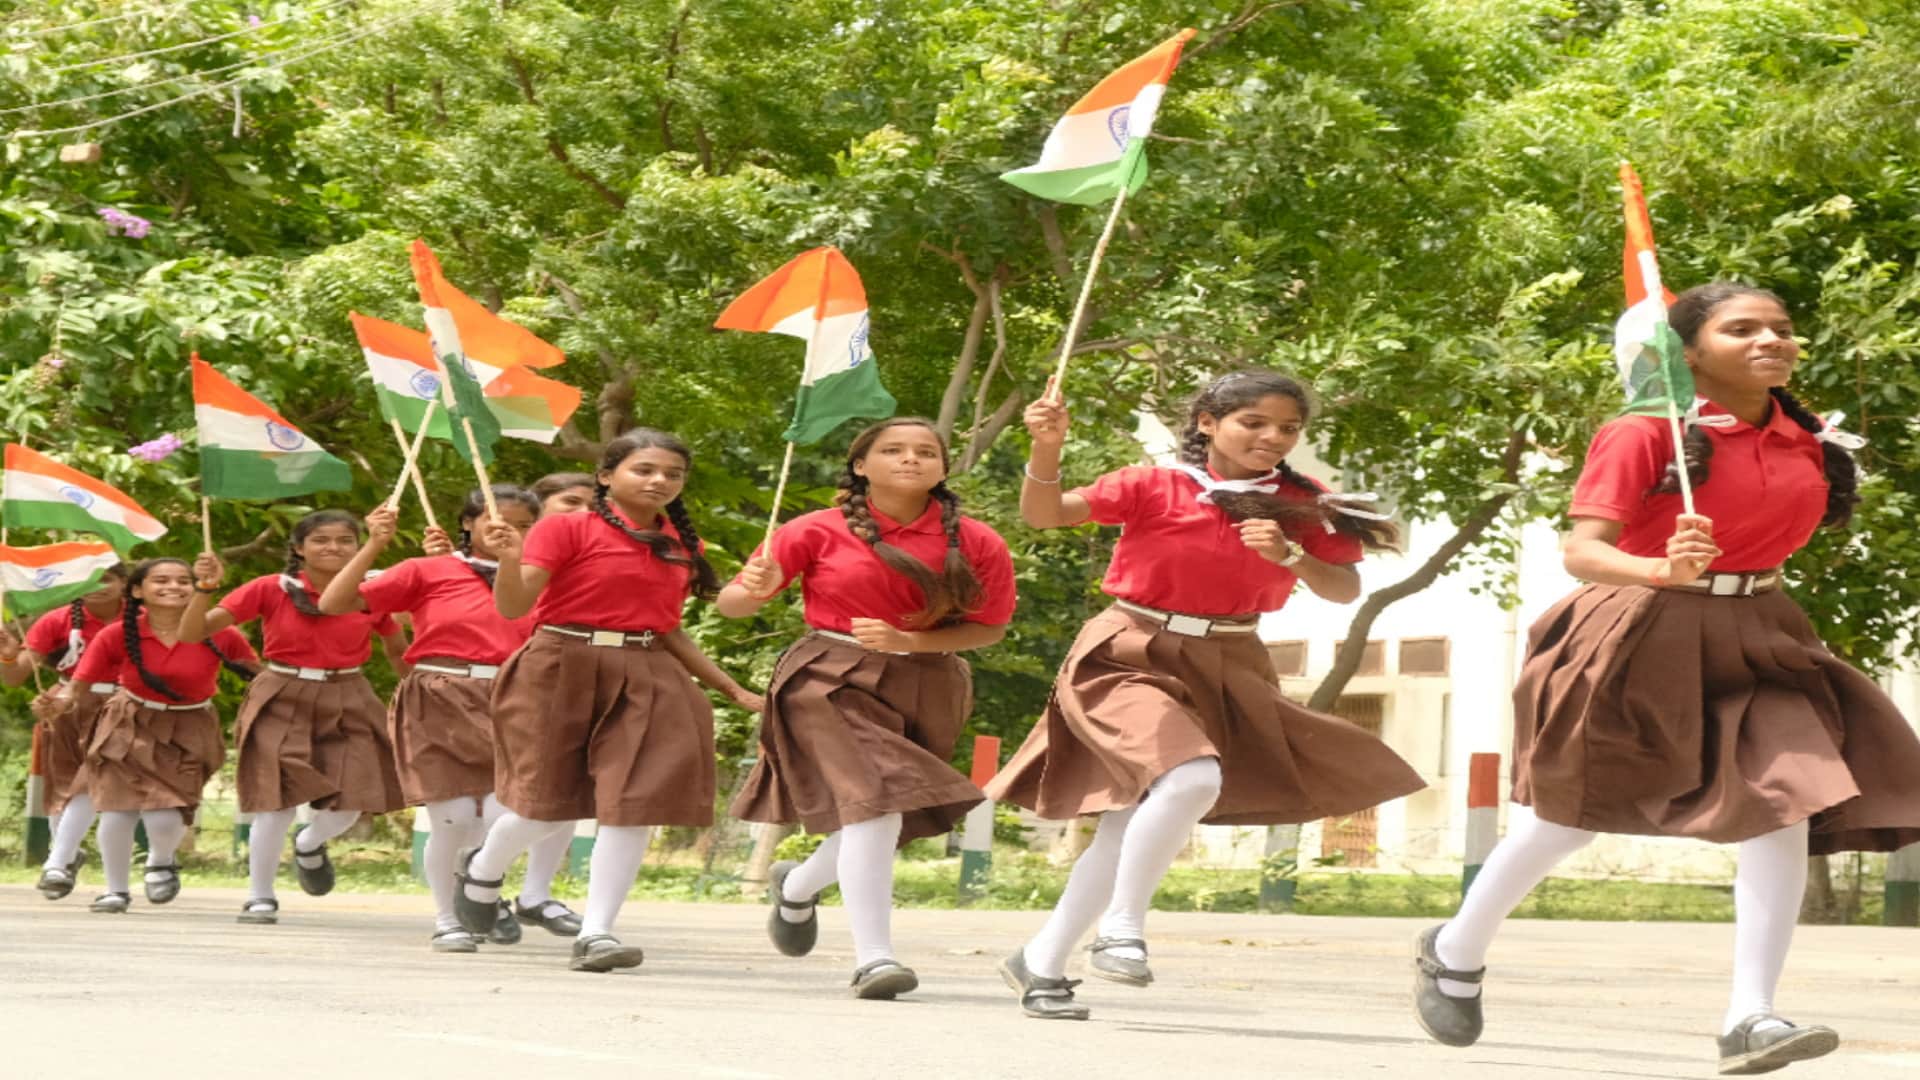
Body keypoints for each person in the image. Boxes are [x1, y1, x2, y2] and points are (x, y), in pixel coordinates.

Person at [1411, 284, 1920, 1076]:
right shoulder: (1643, 431)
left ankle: (1750, 1016)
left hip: (1761, 630)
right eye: (1742, 329)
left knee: (1786, 799)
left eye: (1781, 330)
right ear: (1688, 352)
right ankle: (1453, 950)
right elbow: (1583, 551)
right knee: (1569, 817)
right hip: (1639, 625)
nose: (1771, 341)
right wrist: (1661, 565)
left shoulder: (1808, 438)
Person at [992, 369, 1424, 1020]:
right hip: (1130, 650)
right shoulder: (1151, 484)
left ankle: (1042, 962)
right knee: (1192, 782)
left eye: (1288, 428)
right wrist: (1046, 447)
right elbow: (1044, 515)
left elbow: (1343, 589)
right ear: (1206, 423)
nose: (1272, 437)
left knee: (1131, 820)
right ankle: (1121, 931)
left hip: (1230, 659)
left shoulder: (1303, 502)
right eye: (1254, 422)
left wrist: (1291, 557)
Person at [719, 418, 1017, 999]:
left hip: (929, 681)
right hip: (830, 677)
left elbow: (991, 629)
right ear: (861, 466)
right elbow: (733, 607)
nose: (912, 459)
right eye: (893, 450)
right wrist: (752, 585)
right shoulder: (814, 529)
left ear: (943, 466)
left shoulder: (978, 540)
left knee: (885, 813)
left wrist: (913, 643)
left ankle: (799, 885)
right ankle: (874, 959)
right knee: (877, 807)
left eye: (926, 451)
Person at [454, 429, 762, 972]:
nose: (659, 480)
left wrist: (732, 689)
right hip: (559, 666)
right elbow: (514, 606)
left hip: (646, 674)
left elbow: (669, 629)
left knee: (632, 805)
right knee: (541, 807)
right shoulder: (565, 529)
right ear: (606, 476)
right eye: (644, 469)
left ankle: (597, 932)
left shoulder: (680, 543)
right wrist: (507, 559)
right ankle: (483, 869)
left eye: (672, 472)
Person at [319, 486, 582, 950]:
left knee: (510, 813)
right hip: (439, 695)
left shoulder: (543, 578)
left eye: (524, 525)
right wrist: (374, 543)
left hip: (517, 697)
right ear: (467, 523)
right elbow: (334, 604)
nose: (510, 531)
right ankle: (447, 919)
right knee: (453, 819)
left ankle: (485, 883)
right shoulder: (427, 569)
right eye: (497, 520)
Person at [183, 510, 410, 925]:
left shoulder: (371, 593)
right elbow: (192, 633)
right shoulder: (272, 588)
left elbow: (397, 648)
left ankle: (309, 843)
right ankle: (260, 896)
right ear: (298, 548)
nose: (333, 548)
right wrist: (204, 588)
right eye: (321, 540)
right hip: (282, 694)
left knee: (352, 799)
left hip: (350, 694)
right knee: (275, 803)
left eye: (345, 540)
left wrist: (417, 693)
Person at [69, 557, 258, 913]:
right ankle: (115, 890)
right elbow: (77, 686)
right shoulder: (117, 633)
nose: (173, 587)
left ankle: (161, 859)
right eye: (161, 580)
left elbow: (258, 675)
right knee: (117, 811)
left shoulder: (221, 632)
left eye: (183, 580)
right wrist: (57, 701)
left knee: (166, 813)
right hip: (128, 724)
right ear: (138, 591)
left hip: (190, 728)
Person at [0, 565, 127, 900]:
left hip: (125, 705)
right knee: (64, 785)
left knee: (89, 777)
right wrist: (9, 656)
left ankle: (56, 861)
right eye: (89, 578)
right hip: (66, 704)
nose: (98, 586)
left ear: (125, 583)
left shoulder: (141, 619)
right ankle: (67, 856)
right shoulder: (58, 620)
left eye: (107, 578)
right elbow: (14, 678)